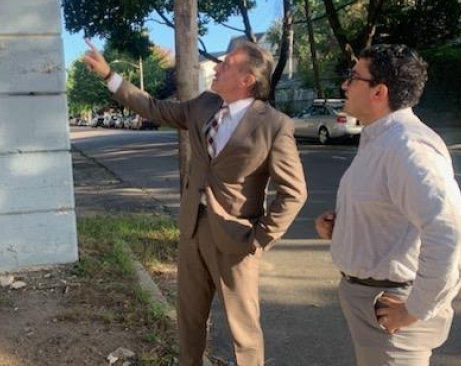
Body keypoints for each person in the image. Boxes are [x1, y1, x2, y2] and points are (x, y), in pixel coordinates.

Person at [84, 39, 307, 366]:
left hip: (236, 239)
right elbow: (154, 108)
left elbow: (294, 193)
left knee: (243, 331)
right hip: (193, 227)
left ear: (247, 80)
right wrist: (109, 75)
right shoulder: (203, 105)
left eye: (227, 64)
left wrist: (260, 239)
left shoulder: (274, 125)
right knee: (189, 320)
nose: (217, 67)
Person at [314, 44, 461, 365]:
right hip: (369, 301)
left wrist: (415, 309)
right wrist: (341, 225)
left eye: (353, 77)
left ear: (379, 92)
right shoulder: (379, 138)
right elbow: (388, 212)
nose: (345, 85)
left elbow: (452, 232)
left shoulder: (407, 146)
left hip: (389, 307)